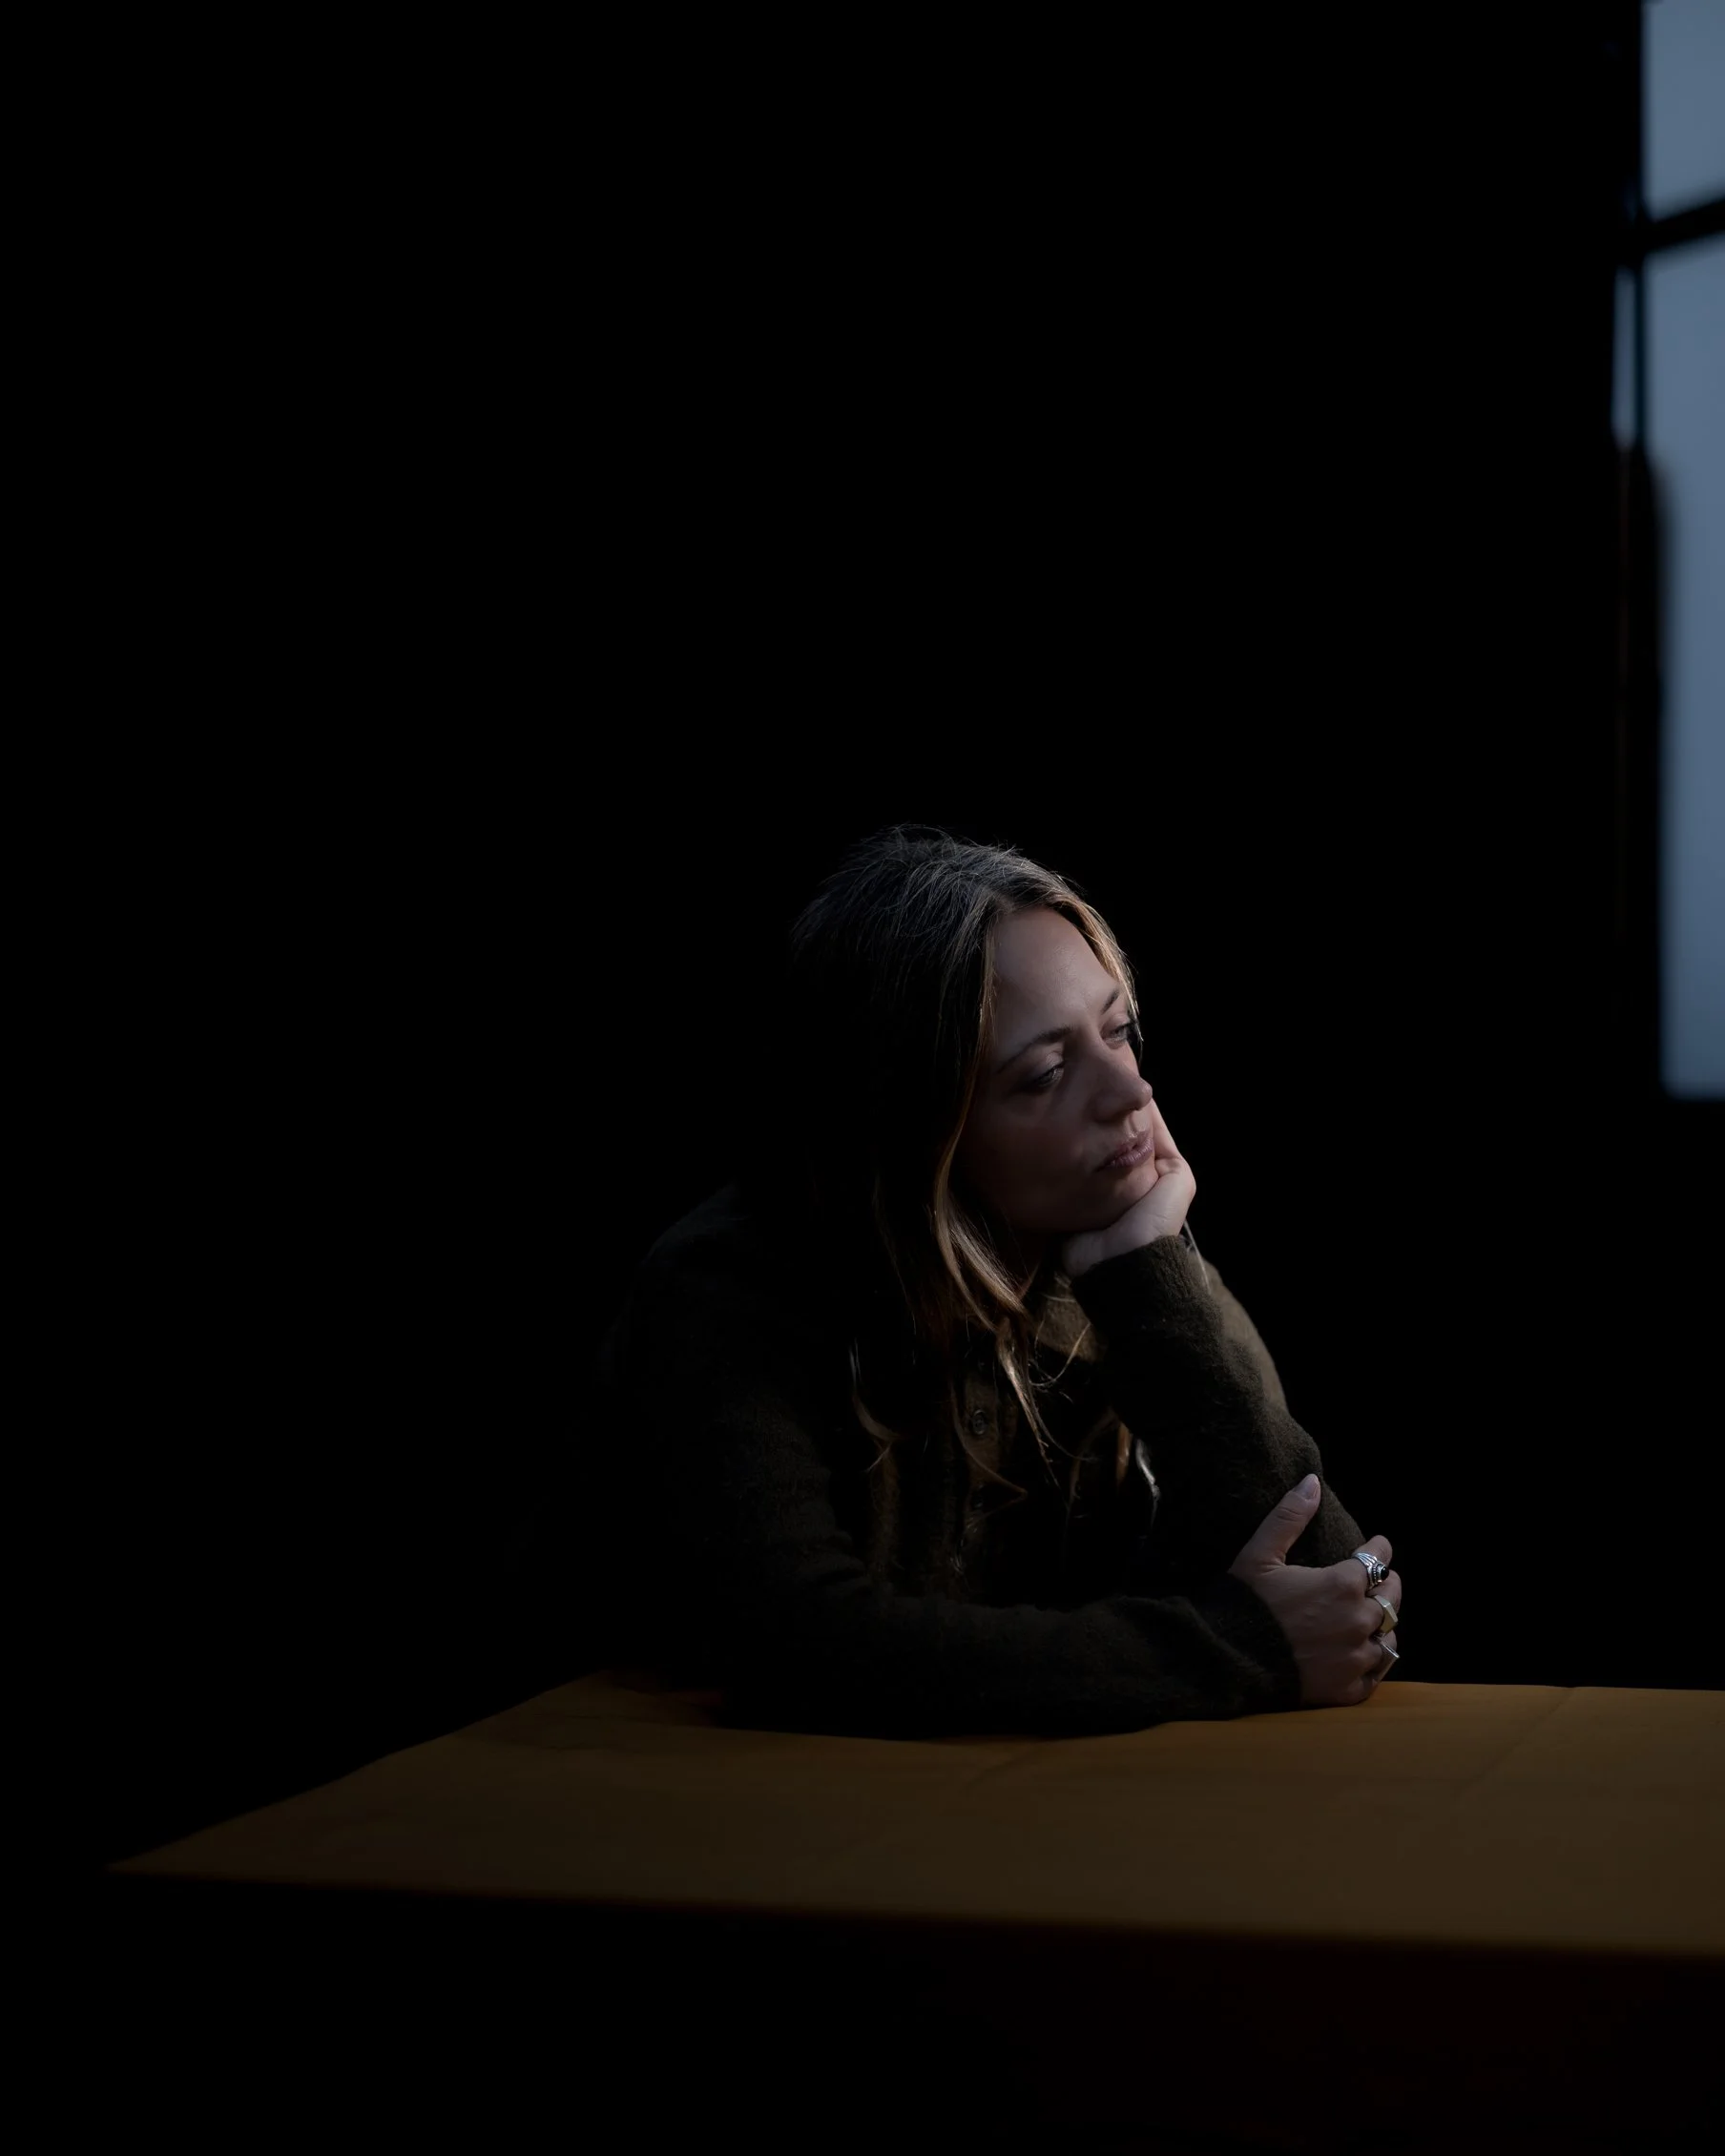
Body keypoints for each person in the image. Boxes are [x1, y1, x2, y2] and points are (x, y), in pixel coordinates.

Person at [596, 824, 1403, 1737]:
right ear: (916, 1129)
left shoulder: (1115, 1264)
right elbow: (799, 1643)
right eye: (1047, 1073)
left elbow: (1339, 1594)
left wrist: (1153, 1286)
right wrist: (1228, 1648)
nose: (1130, 1093)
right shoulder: (731, 1288)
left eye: (1119, 1031)